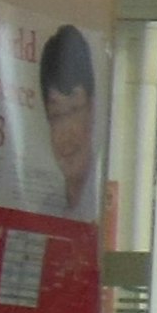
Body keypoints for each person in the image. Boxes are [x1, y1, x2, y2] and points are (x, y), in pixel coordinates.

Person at [36, 25, 100, 217]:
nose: (66, 132)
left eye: (74, 109)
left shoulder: (105, 205)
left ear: (91, 109)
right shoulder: (47, 211)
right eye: (56, 115)